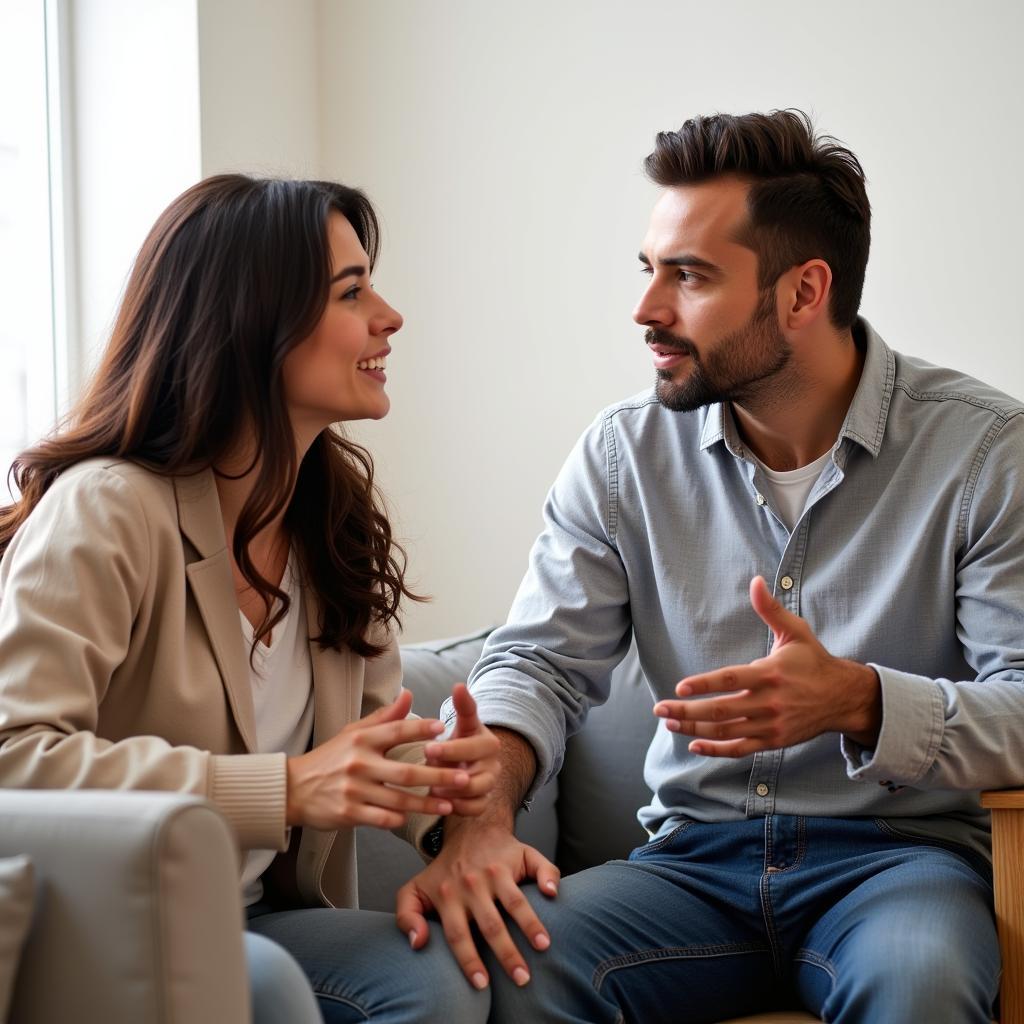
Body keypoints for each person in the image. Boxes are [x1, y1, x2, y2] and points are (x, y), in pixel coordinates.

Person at [395, 110, 1024, 1022]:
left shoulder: (985, 452)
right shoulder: (623, 456)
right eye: (649, 270)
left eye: (688, 276)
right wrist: (483, 806)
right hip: (689, 863)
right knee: (506, 975)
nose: (648, 309)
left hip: (899, 862)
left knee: (921, 983)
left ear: (804, 292)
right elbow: (537, 663)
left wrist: (859, 699)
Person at [0, 175, 496, 1023]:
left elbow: (374, 751)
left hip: (266, 920)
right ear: (253, 323)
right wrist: (283, 788)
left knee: (456, 976)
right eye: (352, 290)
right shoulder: (109, 508)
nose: (389, 315)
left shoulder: (332, 526)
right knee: (264, 986)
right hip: (108, 930)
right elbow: (14, 754)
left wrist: (457, 812)